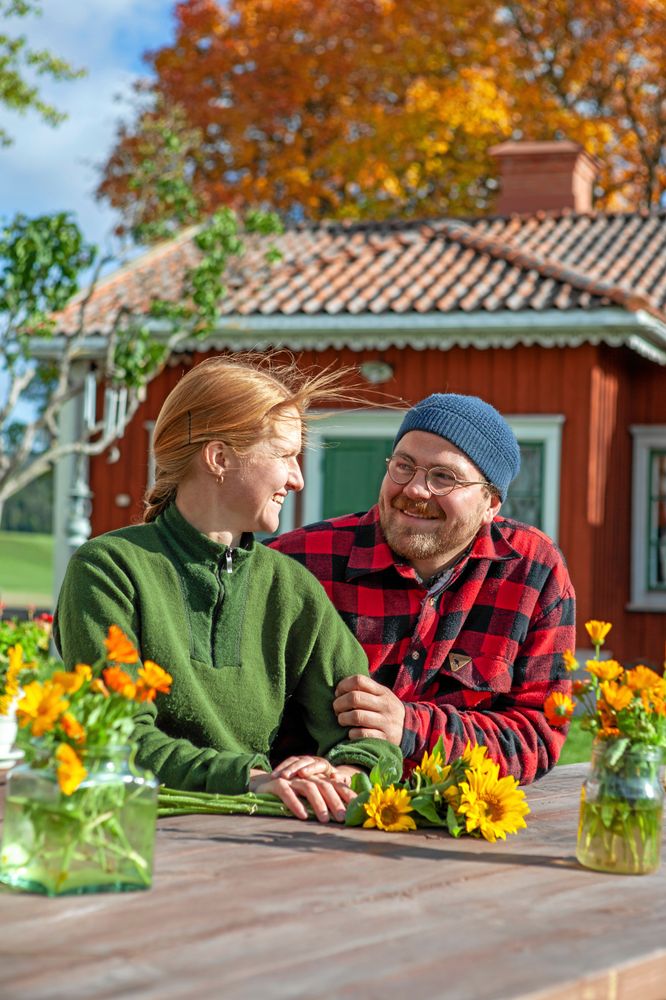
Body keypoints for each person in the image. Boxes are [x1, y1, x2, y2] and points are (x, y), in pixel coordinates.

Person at [54, 354, 401, 823]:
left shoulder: (292, 590)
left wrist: (345, 771)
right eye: (284, 455)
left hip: (261, 846)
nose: (297, 479)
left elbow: (367, 732)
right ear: (218, 458)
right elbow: (117, 738)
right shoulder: (108, 570)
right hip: (130, 834)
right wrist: (250, 778)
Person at [270, 392, 576, 784]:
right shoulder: (298, 562)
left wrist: (410, 727)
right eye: (404, 466)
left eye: (443, 477)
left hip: (460, 827)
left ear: (490, 505)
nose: (415, 489)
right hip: (304, 816)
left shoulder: (533, 572)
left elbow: (537, 736)